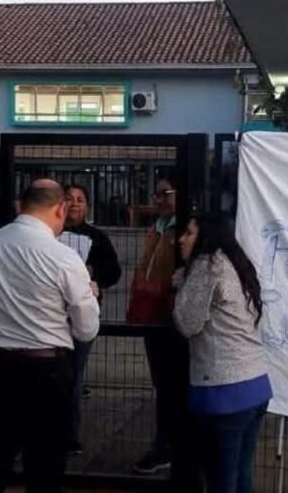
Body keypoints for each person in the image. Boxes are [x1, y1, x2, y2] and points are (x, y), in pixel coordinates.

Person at [0, 179, 100, 493]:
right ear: (60, 208)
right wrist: (90, 295)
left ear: (22, 205)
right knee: (45, 465)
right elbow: (86, 328)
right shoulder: (63, 256)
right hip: (47, 371)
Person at [174, 214, 272, 493]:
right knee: (241, 473)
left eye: (189, 233)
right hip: (255, 385)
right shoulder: (235, 264)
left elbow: (187, 322)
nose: (181, 240)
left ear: (206, 237)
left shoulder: (206, 265)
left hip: (223, 390)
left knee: (221, 480)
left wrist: (181, 284)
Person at [127, 175, 190, 477]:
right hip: (153, 317)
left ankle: (170, 447)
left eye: (165, 193)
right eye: (157, 194)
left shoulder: (183, 229)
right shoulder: (159, 228)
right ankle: (167, 445)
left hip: (173, 319)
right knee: (164, 387)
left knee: (173, 388)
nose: (159, 199)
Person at [59, 184, 122, 454]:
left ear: (87, 206)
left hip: (80, 317)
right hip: (49, 315)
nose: (75, 203)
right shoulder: (49, 234)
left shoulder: (96, 237)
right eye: (70, 198)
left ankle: (69, 436)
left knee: (74, 377)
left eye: (80, 199)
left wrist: (97, 280)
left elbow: (114, 271)